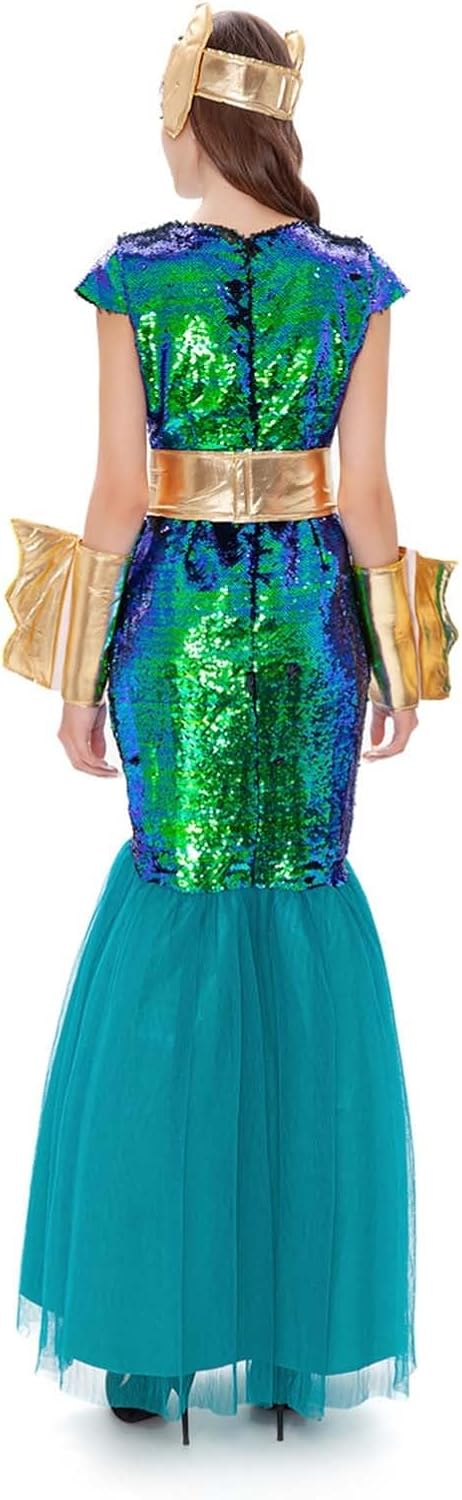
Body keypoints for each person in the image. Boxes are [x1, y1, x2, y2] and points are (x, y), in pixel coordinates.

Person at [3, 2, 458, 1449]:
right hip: (312, 627)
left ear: (191, 118)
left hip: (175, 627)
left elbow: (118, 491)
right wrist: (402, 662)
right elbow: (367, 495)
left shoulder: (135, 276)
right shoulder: (356, 280)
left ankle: (146, 1349)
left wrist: (76, 679)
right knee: (294, 900)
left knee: (179, 909)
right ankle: (285, 1338)